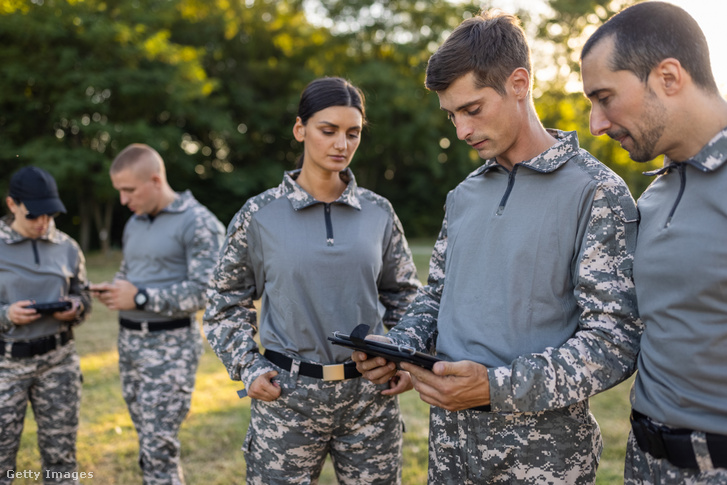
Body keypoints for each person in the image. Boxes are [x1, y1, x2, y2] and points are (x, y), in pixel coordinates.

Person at [353, 10, 644, 484]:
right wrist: (399, 346)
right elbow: (438, 298)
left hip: (543, 459)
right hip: (450, 450)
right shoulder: (464, 195)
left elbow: (614, 341)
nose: (462, 131)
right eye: (452, 115)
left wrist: (492, 387)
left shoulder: (596, 192)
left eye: (472, 109)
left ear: (519, 83)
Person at [203, 76, 421, 484]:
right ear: (300, 129)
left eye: (352, 133)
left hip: (369, 400)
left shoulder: (379, 212)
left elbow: (407, 298)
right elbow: (223, 305)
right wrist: (247, 366)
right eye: (329, 130)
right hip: (287, 399)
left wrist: (409, 362)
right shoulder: (259, 215)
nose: (342, 144)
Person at [581, 2, 727, 482]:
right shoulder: (655, 193)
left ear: (668, 76)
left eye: (605, 97)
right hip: (644, 463)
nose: (596, 124)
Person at [91, 144, 224, 485]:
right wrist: (117, 287)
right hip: (130, 345)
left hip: (170, 348)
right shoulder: (135, 222)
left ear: (155, 180)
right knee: (148, 444)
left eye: (129, 190)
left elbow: (205, 292)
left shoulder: (199, 222)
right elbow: (130, 270)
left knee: (158, 447)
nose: (123, 200)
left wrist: (141, 296)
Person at [0, 166, 91, 484]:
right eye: (34, 215)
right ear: (12, 205)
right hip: (5, 367)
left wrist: (76, 308)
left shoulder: (67, 247)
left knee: (61, 461)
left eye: (49, 214)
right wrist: (6, 315)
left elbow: (84, 296)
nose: (42, 223)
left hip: (58, 364)